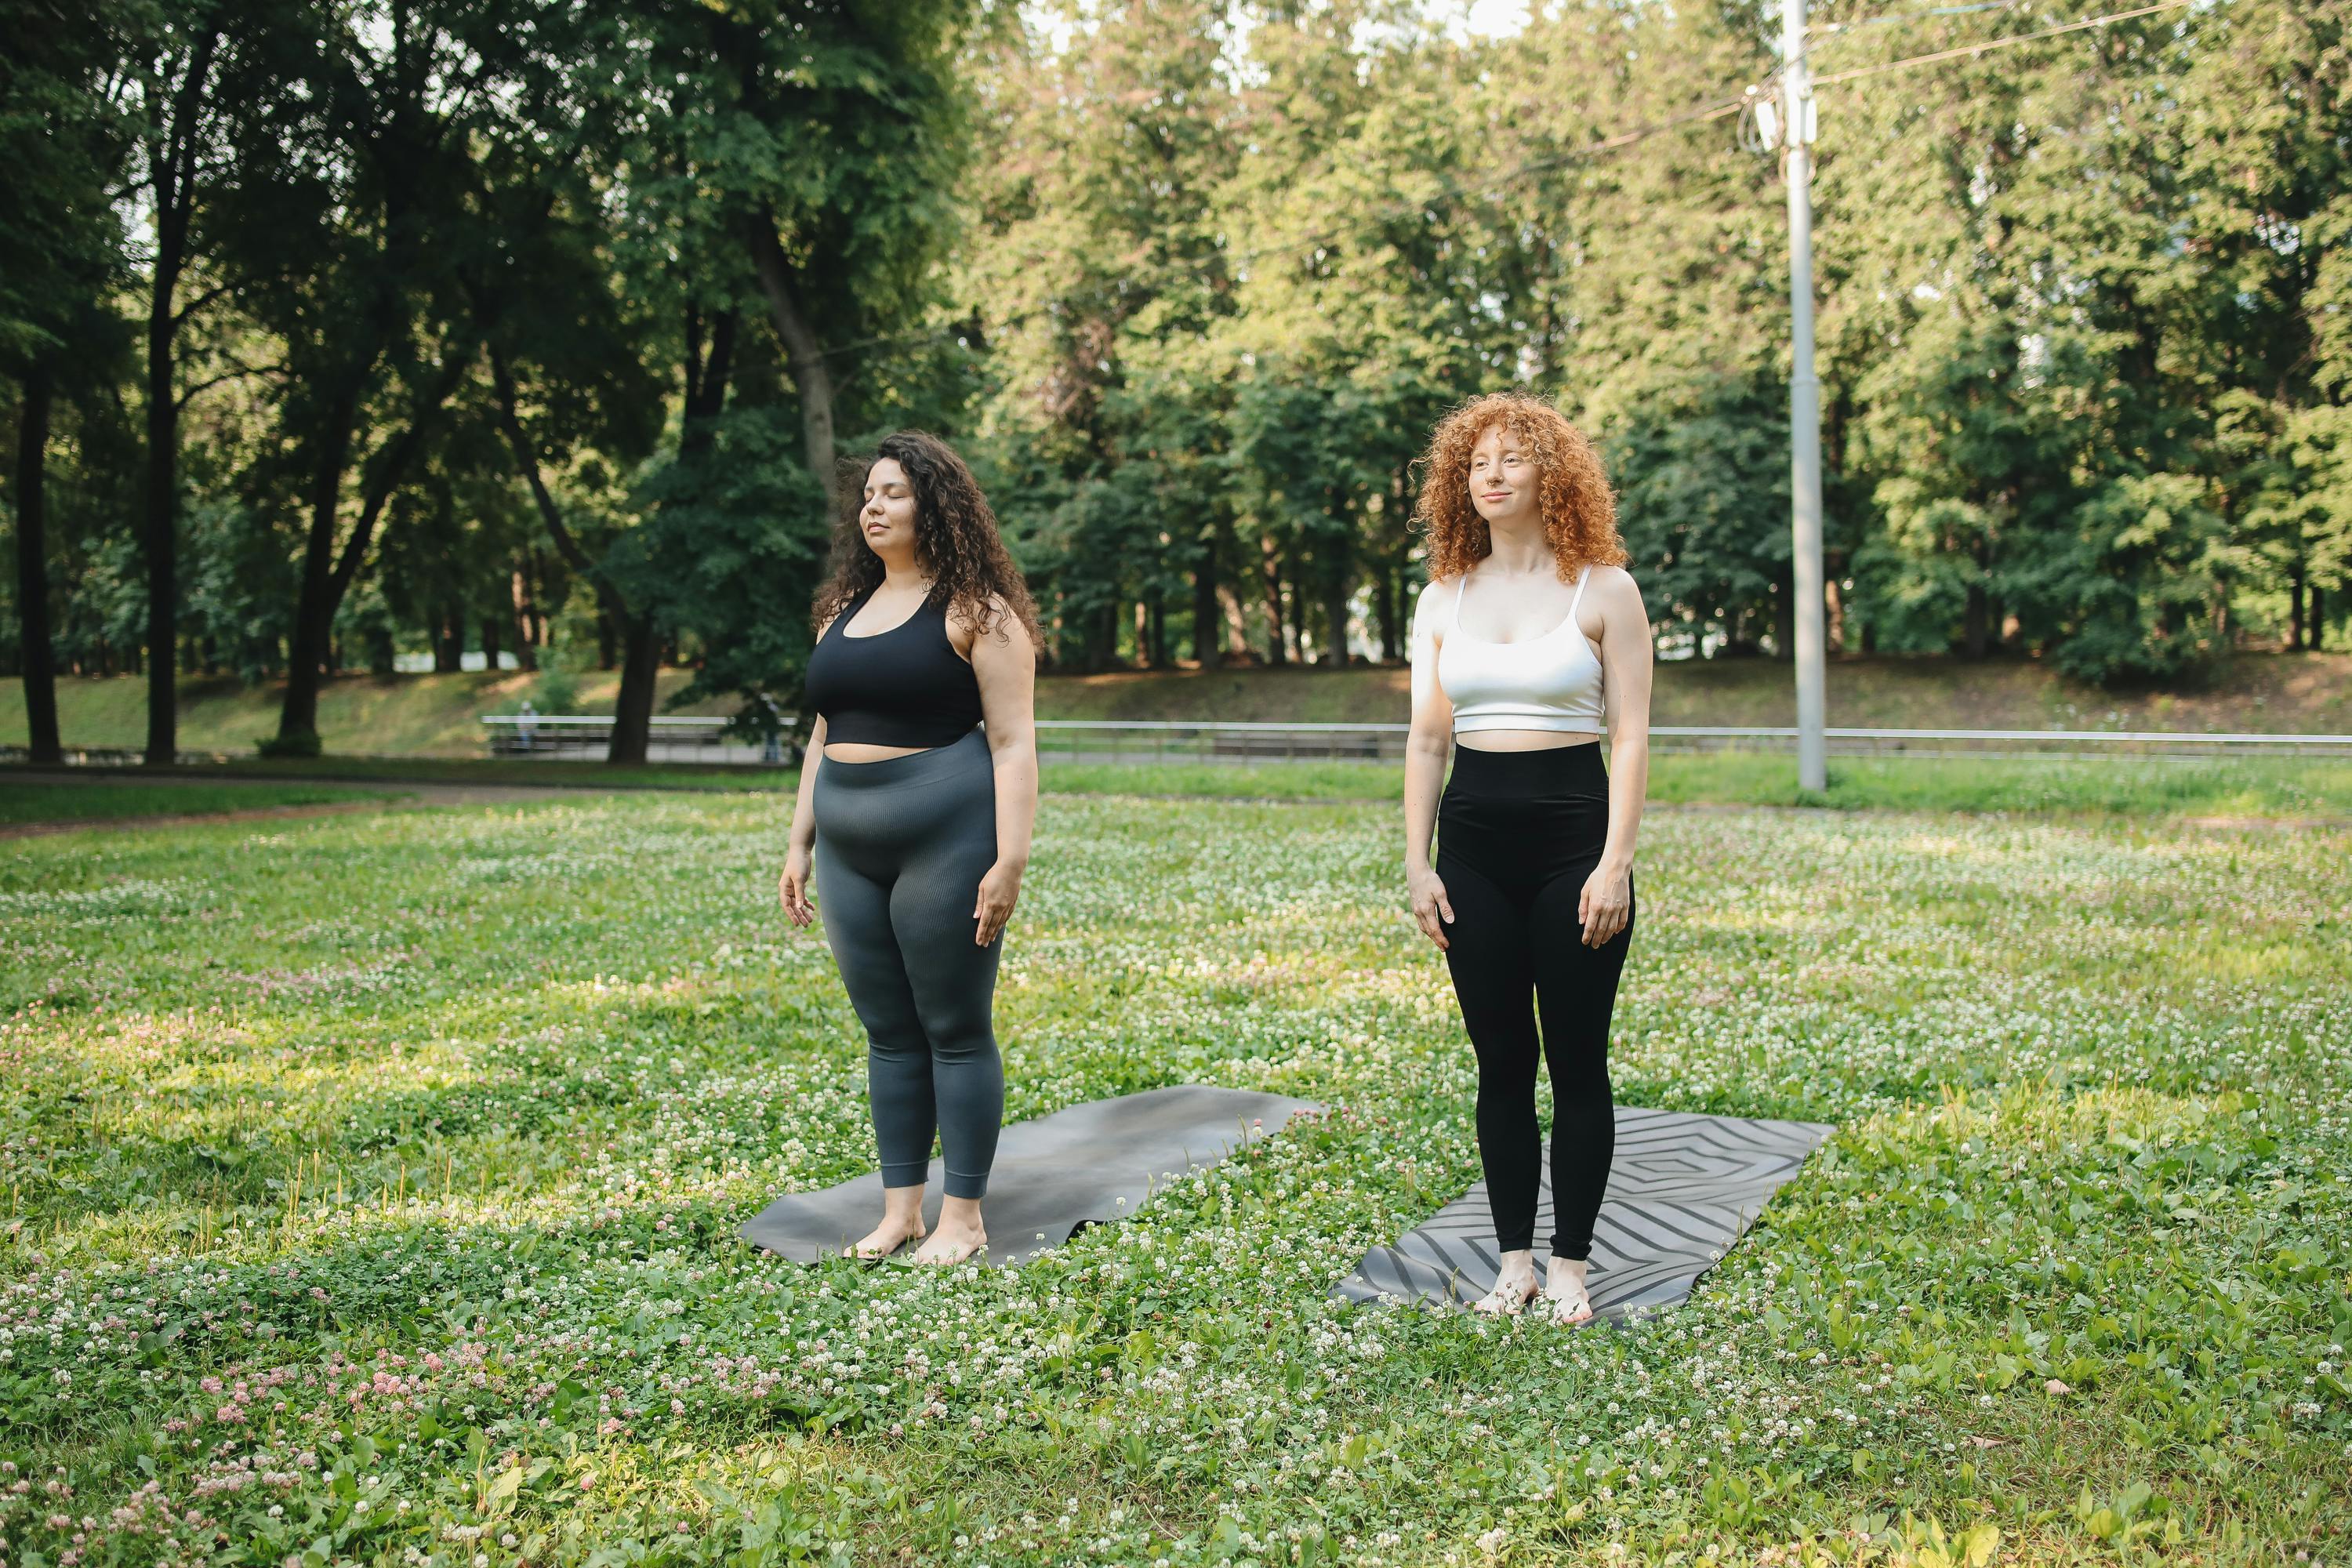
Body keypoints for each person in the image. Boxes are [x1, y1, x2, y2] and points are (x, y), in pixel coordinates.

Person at [1402, 392, 1653, 1325]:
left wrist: (1614, 862)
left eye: (1513, 458)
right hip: (1472, 850)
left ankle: (1574, 1264)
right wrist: (1419, 864)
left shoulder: (1604, 589)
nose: (1493, 474)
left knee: (1577, 1061)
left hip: (1573, 849)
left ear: (1554, 473)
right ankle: (1515, 1262)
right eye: (1477, 463)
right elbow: (1429, 741)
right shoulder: (1442, 597)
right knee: (1500, 1061)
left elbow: (1628, 736)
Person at [778, 431, 1041, 1267]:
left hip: (947, 831)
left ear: (935, 505)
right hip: (848, 842)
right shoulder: (839, 616)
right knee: (887, 1031)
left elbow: (1013, 744)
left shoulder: (978, 613)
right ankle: (901, 1212)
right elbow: (821, 736)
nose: (874, 506)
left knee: (954, 1027)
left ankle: (962, 1215)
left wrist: (1009, 859)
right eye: (868, 494)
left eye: (893, 492)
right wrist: (797, 841)